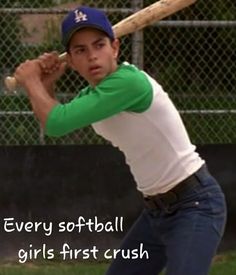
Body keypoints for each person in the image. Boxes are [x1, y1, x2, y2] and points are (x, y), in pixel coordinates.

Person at [14, 6, 227, 275]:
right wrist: (46, 84)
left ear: (114, 48)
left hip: (194, 204)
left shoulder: (128, 83)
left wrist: (32, 80)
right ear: (71, 60)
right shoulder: (92, 96)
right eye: (80, 50)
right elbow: (53, 118)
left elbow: (58, 122)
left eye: (99, 45)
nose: (92, 56)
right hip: (156, 212)